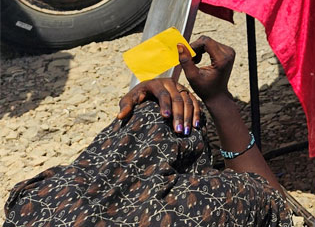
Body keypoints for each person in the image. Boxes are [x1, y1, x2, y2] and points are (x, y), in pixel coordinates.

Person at [5, 36, 295, 226]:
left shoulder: (37, 199)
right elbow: (269, 200)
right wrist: (219, 100)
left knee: (155, 117)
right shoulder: (198, 206)